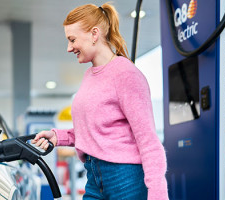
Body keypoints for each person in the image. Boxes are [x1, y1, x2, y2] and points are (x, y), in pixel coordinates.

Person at [32, 2, 168, 200]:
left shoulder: (126, 74)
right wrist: (57, 137)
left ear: (94, 34)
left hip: (125, 178)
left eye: (72, 39)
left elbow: (148, 140)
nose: (69, 48)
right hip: (94, 175)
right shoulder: (90, 75)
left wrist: (158, 194)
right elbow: (96, 131)